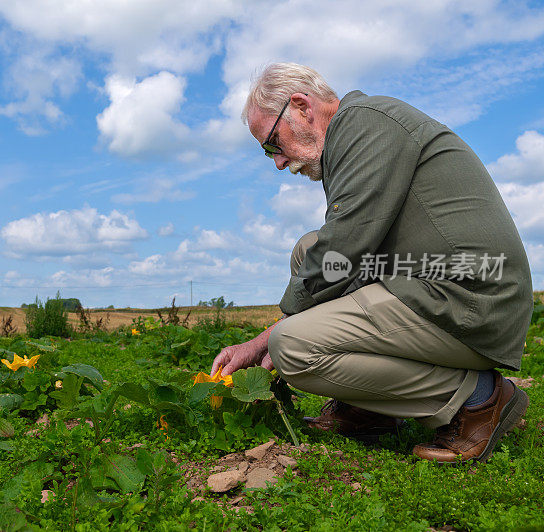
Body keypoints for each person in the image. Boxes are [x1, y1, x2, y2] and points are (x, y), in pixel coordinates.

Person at [212, 63, 532, 462]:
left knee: (291, 347)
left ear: (300, 106)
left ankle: (477, 399)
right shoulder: (357, 130)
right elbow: (334, 252)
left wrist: (262, 341)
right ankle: (368, 410)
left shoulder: (364, 125)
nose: (277, 162)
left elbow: (343, 248)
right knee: (306, 249)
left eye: (272, 143)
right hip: (436, 279)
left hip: (472, 296)